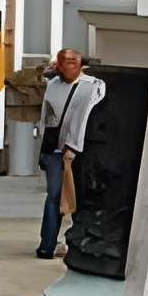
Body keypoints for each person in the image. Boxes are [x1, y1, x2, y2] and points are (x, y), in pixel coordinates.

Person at [36, 48, 104, 261]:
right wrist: (44, 152)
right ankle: (47, 244)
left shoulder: (92, 86)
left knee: (76, 197)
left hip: (78, 150)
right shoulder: (53, 85)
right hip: (55, 149)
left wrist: (73, 147)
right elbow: (45, 118)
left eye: (72, 62)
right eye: (63, 62)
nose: (67, 66)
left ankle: (73, 242)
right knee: (55, 197)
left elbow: (81, 119)